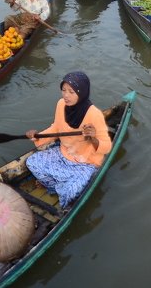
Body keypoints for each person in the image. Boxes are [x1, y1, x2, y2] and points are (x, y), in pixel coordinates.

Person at [25, 72, 112, 209]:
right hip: (64, 153)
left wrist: (93, 139)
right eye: (64, 90)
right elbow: (56, 129)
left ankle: (63, 193)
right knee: (32, 162)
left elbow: (106, 147)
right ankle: (56, 187)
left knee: (70, 191)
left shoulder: (94, 114)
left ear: (82, 93)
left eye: (71, 92)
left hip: (86, 163)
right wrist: (37, 135)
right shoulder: (61, 104)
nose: (66, 95)